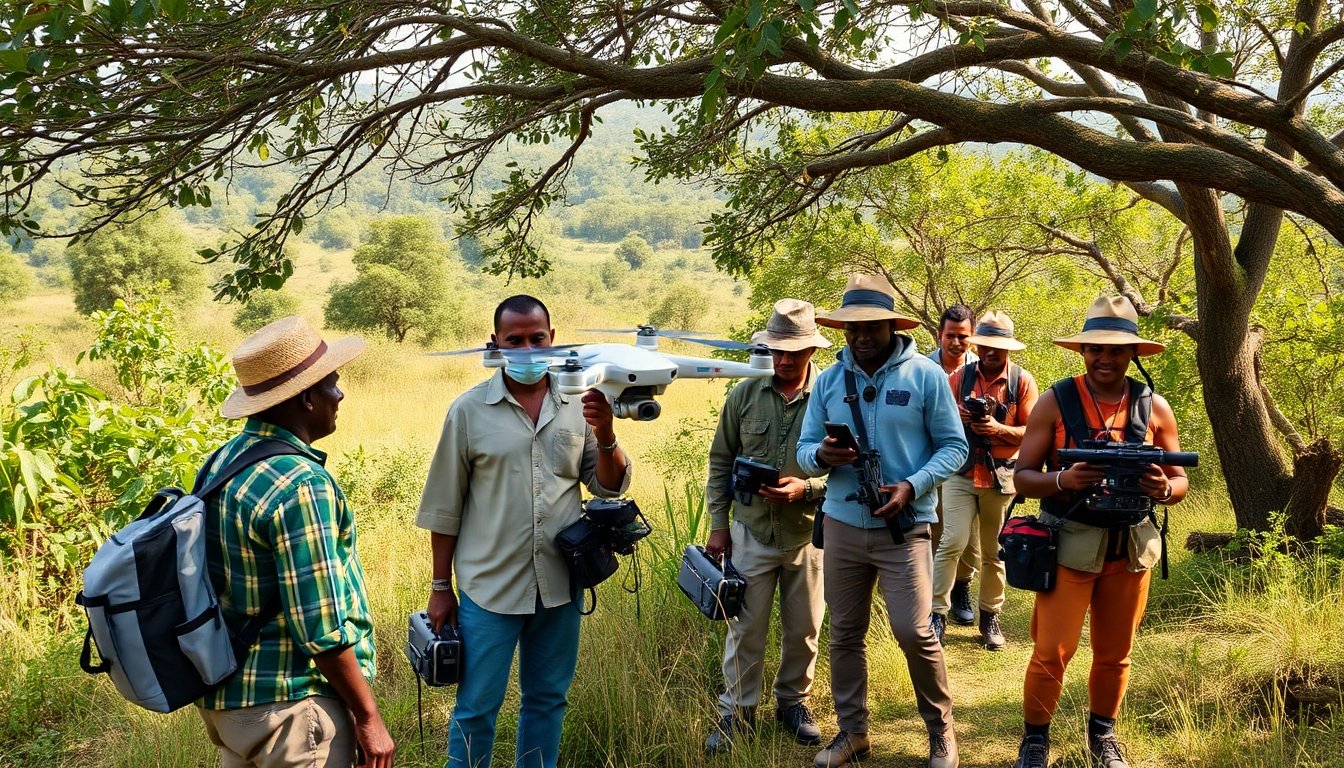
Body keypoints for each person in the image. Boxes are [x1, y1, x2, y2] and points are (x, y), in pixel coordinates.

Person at [417, 295, 633, 768]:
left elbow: (608, 485)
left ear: (554, 338)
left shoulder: (581, 401)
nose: (528, 349)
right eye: (514, 340)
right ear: (495, 343)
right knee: (476, 709)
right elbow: (443, 509)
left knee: (548, 700)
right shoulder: (469, 411)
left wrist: (607, 434)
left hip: (559, 585)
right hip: (488, 589)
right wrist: (439, 587)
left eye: (537, 338)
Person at [199, 316, 395, 768]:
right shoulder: (301, 484)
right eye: (333, 383)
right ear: (307, 398)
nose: (340, 395)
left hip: (229, 698)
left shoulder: (222, 462)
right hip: (289, 708)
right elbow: (320, 628)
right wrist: (369, 719)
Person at [796, 275, 968, 768]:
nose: (862, 336)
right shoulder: (827, 382)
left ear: (892, 325)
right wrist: (822, 455)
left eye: (872, 326)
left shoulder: (925, 376)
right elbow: (804, 451)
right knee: (845, 631)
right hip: (843, 522)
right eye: (852, 328)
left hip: (906, 525)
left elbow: (955, 447)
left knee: (914, 630)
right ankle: (853, 733)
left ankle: (940, 732)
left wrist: (913, 484)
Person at [1010, 295, 1189, 768]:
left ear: (1133, 353)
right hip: (1069, 543)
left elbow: (1180, 480)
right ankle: (1035, 740)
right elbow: (1022, 476)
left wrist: (1164, 488)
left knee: (1116, 654)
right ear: (1082, 351)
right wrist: (1062, 480)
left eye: (1115, 350)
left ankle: (1103, 737)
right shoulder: (1054, 401)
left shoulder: (1155, 407)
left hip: (1130, 546)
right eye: (1095, 349)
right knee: (1052, 651)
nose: (1104, 358)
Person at [702, 299, 832, 755]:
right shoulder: (743, 394)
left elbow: (851, 467)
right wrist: (719, 527)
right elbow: (720, 462)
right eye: (777, 350)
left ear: (811, 350)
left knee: (805, 627)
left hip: (810, 532)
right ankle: (737, 713)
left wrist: (809, 489)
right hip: (751, 531)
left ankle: (793, 703)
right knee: (745, 628)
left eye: (794, 351)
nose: (784, 360)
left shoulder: (833, 395)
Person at [930, 311, 1038, 650]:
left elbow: (1032, 433)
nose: (992, 352)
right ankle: (936, 615)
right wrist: (957, 416)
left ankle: (990, 616)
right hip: (960, 473)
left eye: (999, 346)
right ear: (979, 344)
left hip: (1001, 477)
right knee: (951, 542)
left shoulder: (1022, 382)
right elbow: (933, 424)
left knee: (994, 551)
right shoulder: (958, 378)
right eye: (986, 344)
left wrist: (997, 429)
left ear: (1009, 348)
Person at [927, 305, 980, 627]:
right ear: (939, 335)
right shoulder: (921, 367)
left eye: (963, 337)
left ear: (972, 338)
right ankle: (932, 600)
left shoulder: (982, 368)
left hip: (972, 466)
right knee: (935, 531)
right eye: (951, 336)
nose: (956, 343)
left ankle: (962, 586)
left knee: (968, 538)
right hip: (931, 461)